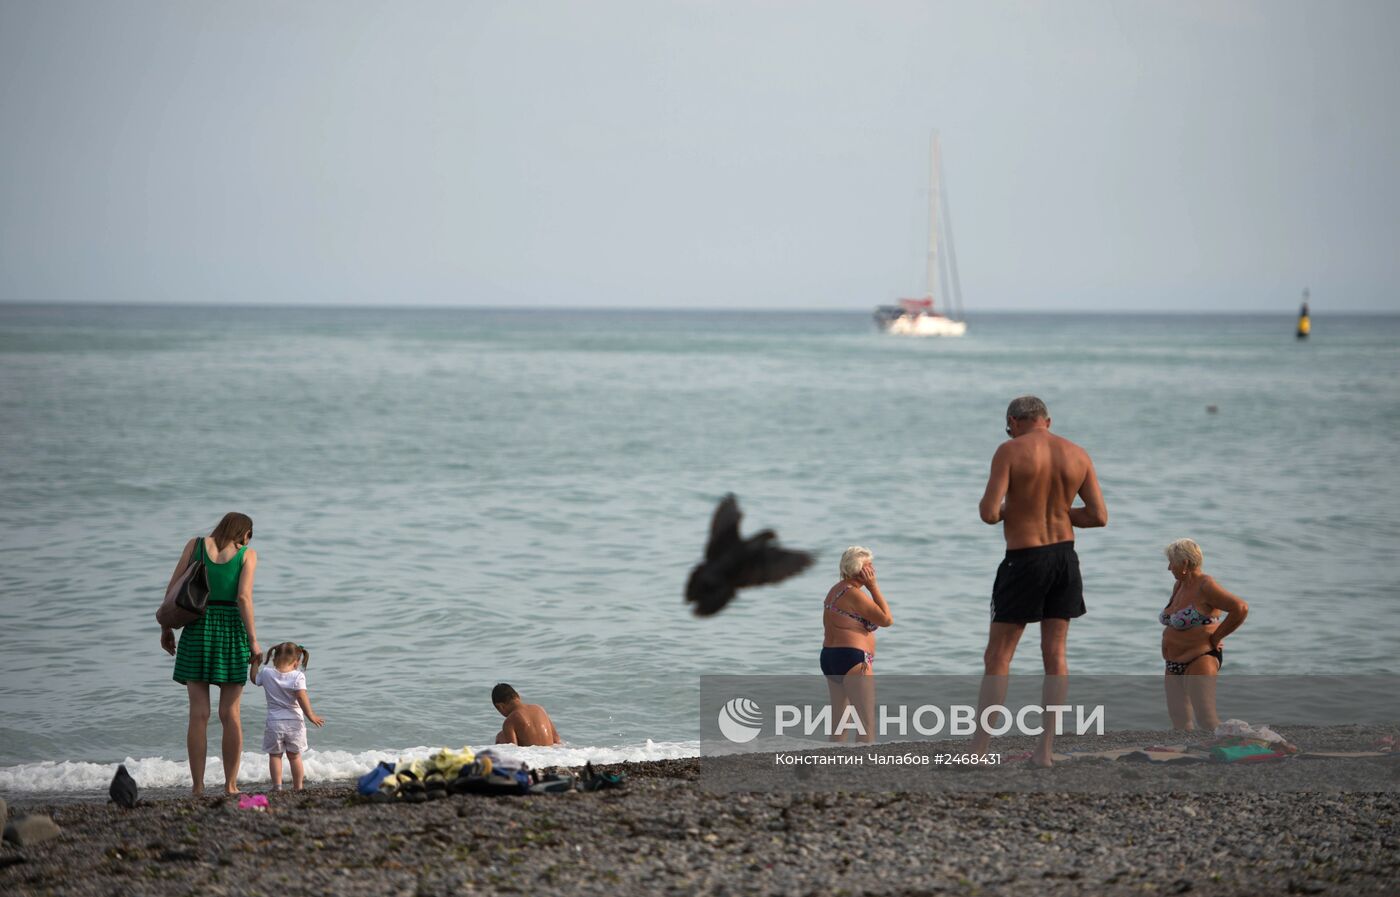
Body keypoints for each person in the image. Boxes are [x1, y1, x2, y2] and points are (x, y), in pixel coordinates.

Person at [970, 396, 1107, 766]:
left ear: (1014, 421)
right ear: (1047, 420)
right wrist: (1061, 510)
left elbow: (987, 513)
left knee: (998, 656)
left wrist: (1017, 508)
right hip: (1065, 558)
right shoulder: (1078, 454)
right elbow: (1098, 516)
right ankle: (1043, 752)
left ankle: (979, 751)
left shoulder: (1009, 450)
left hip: (1025, 560)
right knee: (1055, 656)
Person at [160, 512, 260, 796]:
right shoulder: (247, 555)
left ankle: (198, 787)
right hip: (231, 630)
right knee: (230, 713)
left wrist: (166, 627)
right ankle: (230, 785)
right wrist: (253, 642)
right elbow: (243, 598)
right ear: (245, 533)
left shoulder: (195, 545)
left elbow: (173, 589)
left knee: (198, 715)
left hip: (197, 627)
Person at [1159, 538, 1249, 732]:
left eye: (1171, 563)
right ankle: (1187, 757)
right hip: (1173, 663)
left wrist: (1217, 637)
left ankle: (1229, 754)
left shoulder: (1205, 585)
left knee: (1207, 720)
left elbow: (1240, 608)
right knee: (1180, 723)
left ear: (1184, 563)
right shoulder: (1180, 585)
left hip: (1199, 659)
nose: (1168, 568)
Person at [820, 546, 893, 744]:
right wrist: (873, 586)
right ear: (859, 569)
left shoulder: (835, 590)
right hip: (853, 659)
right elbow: (886, 619)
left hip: (830, 657)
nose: (873, 571)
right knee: (866, 723)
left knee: (839, 723)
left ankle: (832, 764)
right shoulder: (855, 593)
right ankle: (865, 767)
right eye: (870, 566)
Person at [249, 642, 325, 791]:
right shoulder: (298, 676)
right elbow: (302, 698)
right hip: (295, 723)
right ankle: (298, 787)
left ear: (273, 659)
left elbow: (253, 679)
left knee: (275, 756)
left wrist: (255, 664)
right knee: (294, 756)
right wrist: (311, 715)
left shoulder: (266, 673)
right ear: (297, 663)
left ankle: (277, 786)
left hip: (274, 723)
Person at [492, 684, 562, 747]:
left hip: (532, 757)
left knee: (500, 736)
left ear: (500, 706)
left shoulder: (510, 721)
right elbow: (556, 739)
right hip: (550, 755)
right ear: (518, 696)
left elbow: (513, 751)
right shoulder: (539, 709)